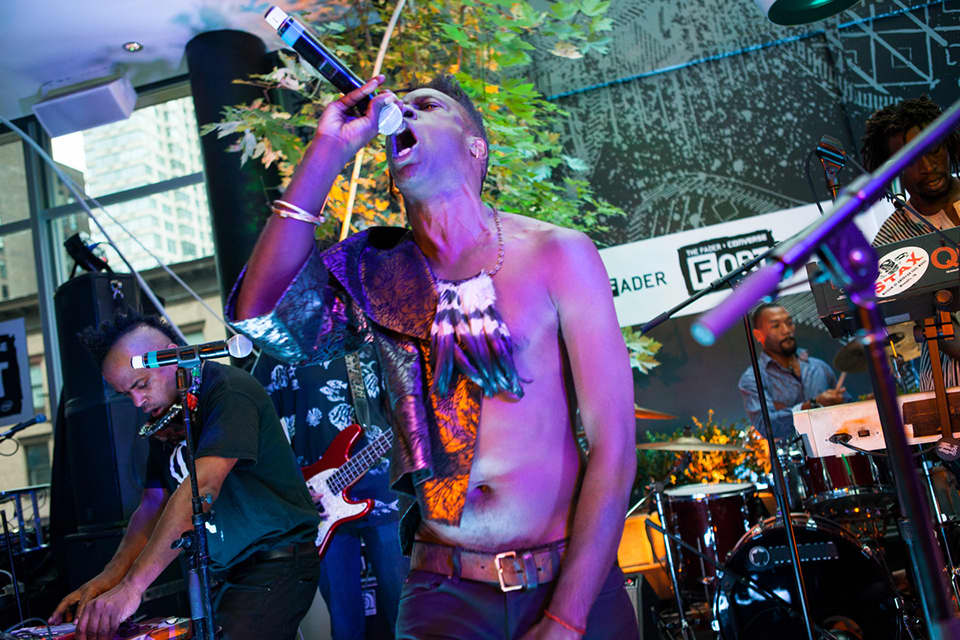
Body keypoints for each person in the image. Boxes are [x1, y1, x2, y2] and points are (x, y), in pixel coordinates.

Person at [227, 73, 638, 639]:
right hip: (442, 596)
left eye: (428, 105)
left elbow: (615, 445)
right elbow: (262, 314)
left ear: (476, 147)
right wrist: (327, 152)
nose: (405, 112)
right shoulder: (375, 269)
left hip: (569, 583)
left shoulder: (558, 254)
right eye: (401, 107)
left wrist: (566, 619)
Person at [49, 311, 322, 640]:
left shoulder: (228, 391)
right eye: (126, 394)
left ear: (171, 357)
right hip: (224, 573)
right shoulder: (168, 414)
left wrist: (132, 588)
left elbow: (202, 485)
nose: (137, 401)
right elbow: (152, 506)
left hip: (275, 563)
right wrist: (109, 579)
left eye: (141, 385)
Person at [253, 347, 409, 639]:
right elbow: (255, 423)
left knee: (405, 610)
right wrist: (288, 485)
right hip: (318, 500)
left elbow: (407, 395)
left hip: (385, 493)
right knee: (343, 619)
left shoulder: (370, 331)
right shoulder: (278, 344)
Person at [864, 95, 960, 391]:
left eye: (933, 149)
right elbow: (914, 326)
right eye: (911, 160)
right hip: (949, 382)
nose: (928, 166)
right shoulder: (893, 236)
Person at [738, 303, 847, 441]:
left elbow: (847, 408)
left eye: (789, 323)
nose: (786, 330)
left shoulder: (819, 367)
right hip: (795, 454)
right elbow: (767, 427)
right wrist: (811, 405)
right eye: (776, 326)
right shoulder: (753, 378)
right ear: (758, 335)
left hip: (836, 449)